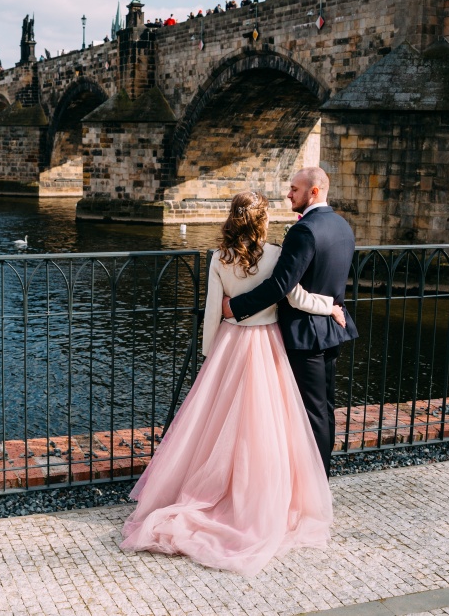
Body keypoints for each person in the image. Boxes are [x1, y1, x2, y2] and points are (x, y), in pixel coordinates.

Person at [120, 191, 340, 576]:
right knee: (265, 424)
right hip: (267, 343)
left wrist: (211, 355)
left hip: (231, 342)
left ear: (232, 220)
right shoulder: (275, 254)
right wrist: (330, 307)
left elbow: (212, 312)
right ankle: (259, 494)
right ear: (262, 221)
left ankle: (212, 487)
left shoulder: (219, 258)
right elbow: (297, 297)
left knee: (217, 422)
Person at [224, 167, 358, 477]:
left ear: (314, 191)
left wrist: (235, 307)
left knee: (309, 412)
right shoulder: (342, 226)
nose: (288, 194)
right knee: (324, 408)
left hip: (304, 335)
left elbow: (279, 285)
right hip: (332, 328)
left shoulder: (304, 231)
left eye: (295, 189)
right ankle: (320, 475)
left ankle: (314, 480)